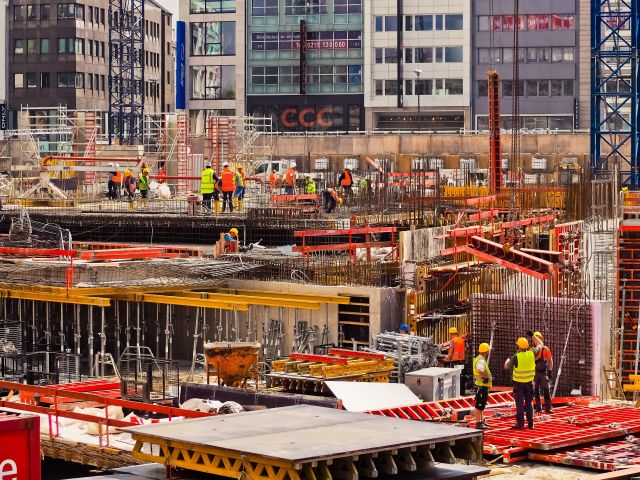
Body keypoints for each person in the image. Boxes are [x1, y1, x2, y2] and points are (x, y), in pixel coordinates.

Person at [504, 335, 542, 430]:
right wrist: (533, 336)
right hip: (529, 384)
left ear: (519, 346)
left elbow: (506, 366)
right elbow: (541, 344)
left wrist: (509, 359)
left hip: (518, 385)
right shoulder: (531, 354)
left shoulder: (516, 357)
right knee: (529, 404)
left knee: (520, 405)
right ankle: (531, 424)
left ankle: (520, 424)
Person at [532, 331, 554, 413]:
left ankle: (548, 407)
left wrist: (550, 371)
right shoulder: (532, 350)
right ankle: (538, 407)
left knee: (546, 390)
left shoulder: (545, 349)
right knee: (536, 390)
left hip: (543, 372)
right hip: (535, 373)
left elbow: (550, 360)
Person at [441, 327, 467, 395]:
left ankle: (456, 393)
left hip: (455, 362)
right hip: (462, 362)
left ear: (451, 334)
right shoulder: (461, 340)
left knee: (455, 377)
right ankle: (462, 393)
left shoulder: (452, 341)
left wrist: (445, 359)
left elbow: (450, 354)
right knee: (462, 377)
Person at [473, 343, 492, 430]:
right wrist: (485, 376)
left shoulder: (480, 359)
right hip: (481, 386)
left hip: (482, 386)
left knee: (481, 405)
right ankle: (478, 423)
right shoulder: (480, 360)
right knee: (479, 405)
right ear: (486, 351)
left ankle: (481, 421)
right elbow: (480, 370)